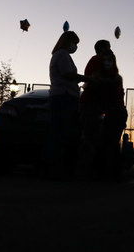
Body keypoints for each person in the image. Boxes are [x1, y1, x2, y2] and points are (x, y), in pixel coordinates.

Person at [77, 40, 127, 181]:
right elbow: (97, 82)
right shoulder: (100, 63)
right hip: (97, 106)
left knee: (94, 138)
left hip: (102, 107)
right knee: (94, 138)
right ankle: (95, 171)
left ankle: (94, 171)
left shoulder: (109, 73)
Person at [46, 31, 88, 179]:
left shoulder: (58, 55)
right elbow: (68, 74)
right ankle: (55, 169)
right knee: (60, 134)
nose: (75, 46)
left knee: (57, 132)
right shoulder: (63, 55)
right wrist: (86, 78)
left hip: (61, 96)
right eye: (74, 43)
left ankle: (54, 167)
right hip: (64, 96)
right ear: (68, 41)